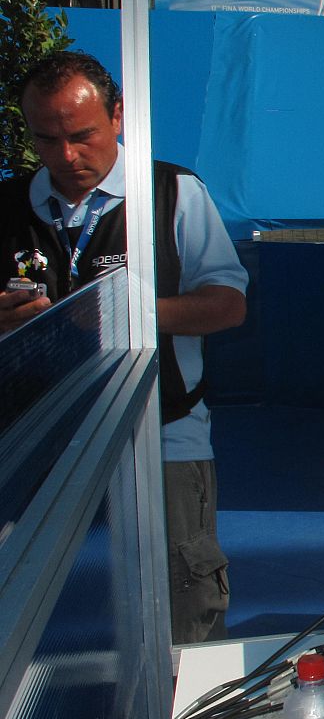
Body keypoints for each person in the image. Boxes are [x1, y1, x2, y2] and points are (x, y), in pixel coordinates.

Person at [0, 51, 248, 644]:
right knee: (26, 603)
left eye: (81, 136)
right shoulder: (8, 206)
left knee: (183, 603)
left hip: (160, 427)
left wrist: (127, 313)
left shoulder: (171, 192)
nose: (66, 156)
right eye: (46, 139)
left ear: (117, 117)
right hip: (37, 432)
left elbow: (229, 304)